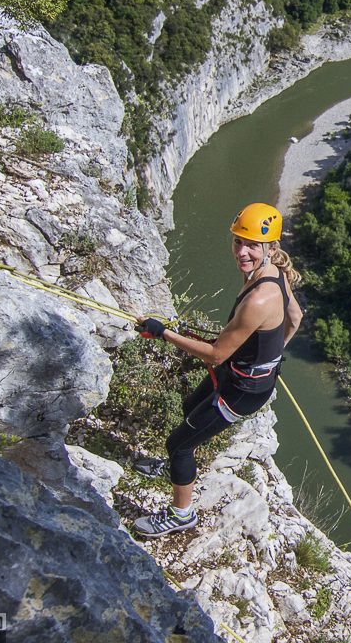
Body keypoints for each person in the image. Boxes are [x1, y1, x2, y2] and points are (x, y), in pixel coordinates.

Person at [131, 202, 304, 537]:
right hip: (243, 375)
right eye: (239, 241)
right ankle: (177, 469)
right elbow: (295, 318)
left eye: (251, 245)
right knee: (188, 409)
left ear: (269, 248)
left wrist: (162, 331)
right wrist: (269, 354)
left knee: (178, 445)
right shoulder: (277, 273)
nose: (242, 251)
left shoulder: (259, 299)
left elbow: (214, 355)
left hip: (242, 391)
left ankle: (182, 514)